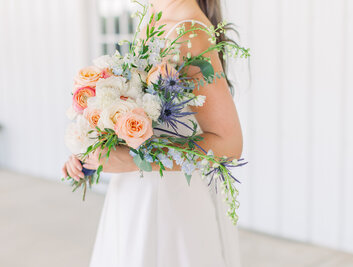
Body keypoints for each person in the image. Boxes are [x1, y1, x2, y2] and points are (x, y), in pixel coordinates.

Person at [62, 0, 243, 266]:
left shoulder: (189, 31)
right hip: (132, 194)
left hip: (171, 204)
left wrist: (130, 159)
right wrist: (94, 147)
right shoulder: (153, 14)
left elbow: (230, 144)